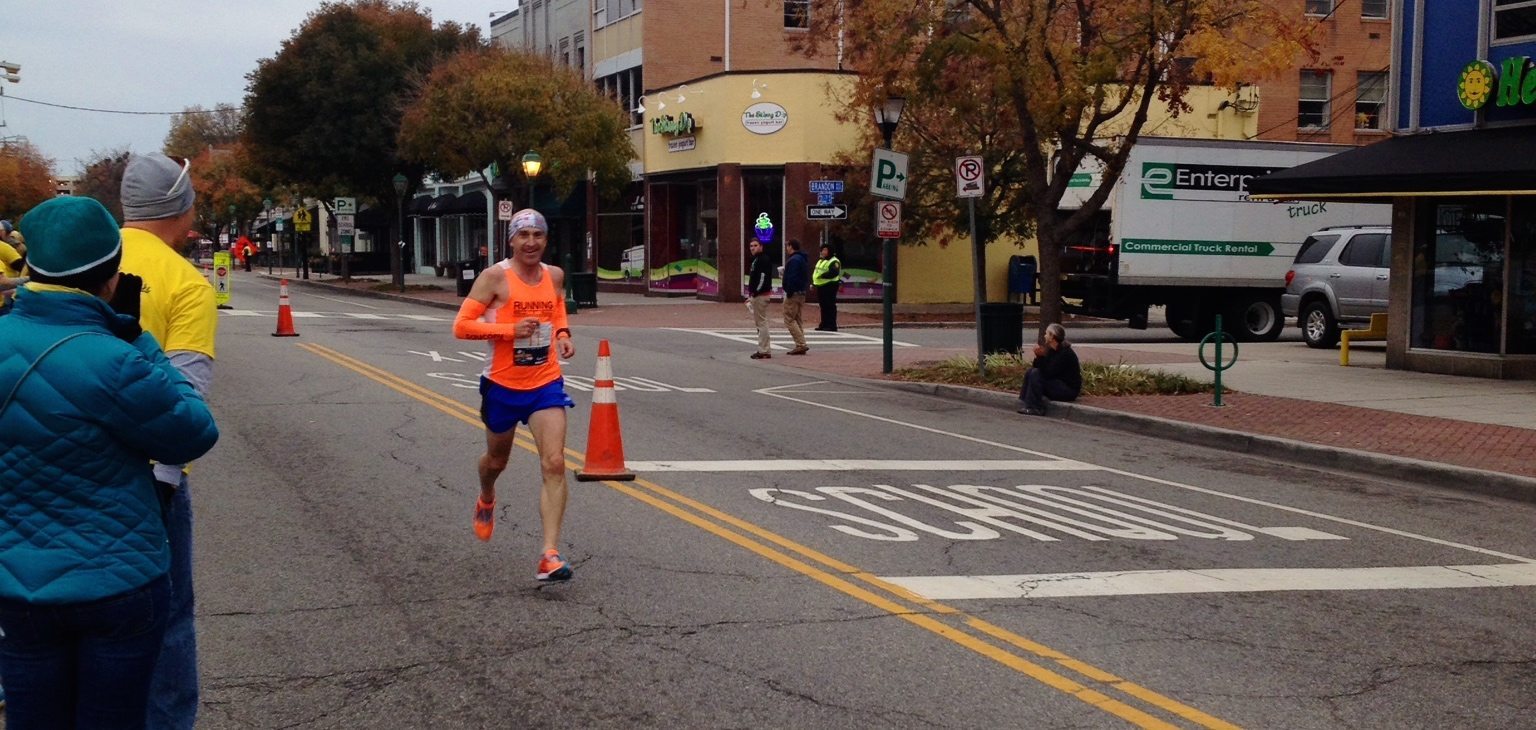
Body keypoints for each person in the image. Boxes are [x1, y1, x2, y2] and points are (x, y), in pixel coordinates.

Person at [0, 196, 219, 729]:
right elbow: (191, 433)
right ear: (110, 273)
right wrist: (138, 336)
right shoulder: (117, 357)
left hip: (15, 581)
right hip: (117, 582)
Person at [119, 153, 219, 730]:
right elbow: (185, 405)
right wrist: (164, 480)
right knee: (168, 619)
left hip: (48, 467)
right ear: (182, 207)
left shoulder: (75, 260)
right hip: (145, 479)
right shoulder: (186, 283)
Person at [452, 209, 577, 582]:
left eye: (538, 235)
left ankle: (549, 554)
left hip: (544, 383)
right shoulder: (495, 278)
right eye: (523, 235)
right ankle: (486, 495)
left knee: (554, 462)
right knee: (496, 461)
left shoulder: (554, 275)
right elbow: (461, 326)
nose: (531, 242)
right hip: (503, 386)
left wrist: (562, 335)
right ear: (512, 240)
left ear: (546, 240)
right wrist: (509, 330)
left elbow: (556, 308)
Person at [1018, 323, 1082, 416]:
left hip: (1068, 390)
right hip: (1057, 383)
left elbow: (1048, 373)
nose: (1044, 336)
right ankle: (1026, 401)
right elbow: (1040, 367)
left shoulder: (1065, 353)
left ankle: (1036, 407)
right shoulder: (1053, 350)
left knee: (1036, 374)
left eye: (1047, 333)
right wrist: (1038, 357)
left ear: (1052, 336)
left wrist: (1040, 357)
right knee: (1030, 371)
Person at [747, 238, 775, 359]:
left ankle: (764, 350)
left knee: (761, 323)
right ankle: (764, 349)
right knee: (760, 322)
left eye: (755, 245)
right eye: (751, 246)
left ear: (761, 246)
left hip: (761, 295)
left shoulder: (763, 259)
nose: (753, 248)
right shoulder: (756, 260)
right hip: (758, 294)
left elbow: (762, 278)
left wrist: (755, 292)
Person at [780, 239, 809, 355]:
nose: (786, 248)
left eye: (787, 246)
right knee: (797, 319)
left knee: (789, 319)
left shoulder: (793, 260)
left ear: (791, 246)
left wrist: (789, 289)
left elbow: (792, 277)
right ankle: (800, 344)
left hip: (794, 293)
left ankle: (801, 344)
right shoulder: (802, 259)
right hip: (801, 292)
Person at [813, 243, 842, 332]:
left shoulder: (834, 261)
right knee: (823, 306)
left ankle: (831, 325)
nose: (823, 252)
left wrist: (822, 276)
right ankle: (824, 324)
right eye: (822, 250)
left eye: (825, 250)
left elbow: (834, 272)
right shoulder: (821, 261)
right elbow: (816, 273)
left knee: (830, 306)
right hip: (821, 286)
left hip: (830, 286)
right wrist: (814, 283)